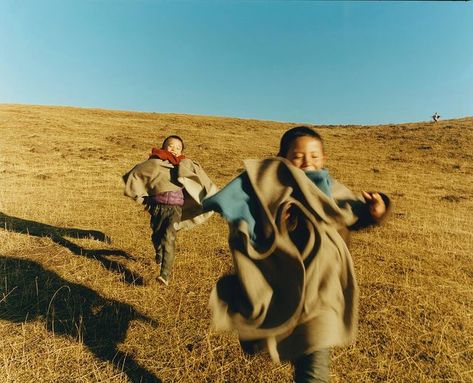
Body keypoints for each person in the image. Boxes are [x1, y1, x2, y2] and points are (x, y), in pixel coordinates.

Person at [203, 126, 390, 382]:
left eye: (314, 156)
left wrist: (375, 211)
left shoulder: (329, 189)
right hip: (281, 283)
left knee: (314, 357)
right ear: (282, 157)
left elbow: (351, 215)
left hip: (321, 288)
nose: (307, 163)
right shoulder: (268, 189)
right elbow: (245, 213)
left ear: (324, 159)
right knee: (272, 330)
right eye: (298, 156)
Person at [123, 135, 217, 286]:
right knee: (156, 237)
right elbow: (136, 175)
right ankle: (159, 254)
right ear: (163, 147)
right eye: (171, 146)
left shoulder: (185, 165)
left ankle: (164, 274)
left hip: (175, 209)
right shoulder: (154, 163)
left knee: (169, 237)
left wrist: (213, 197)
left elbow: (201, 180)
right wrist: (143, 199)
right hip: (157, 208)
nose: (174, 149)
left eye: (178, 148)